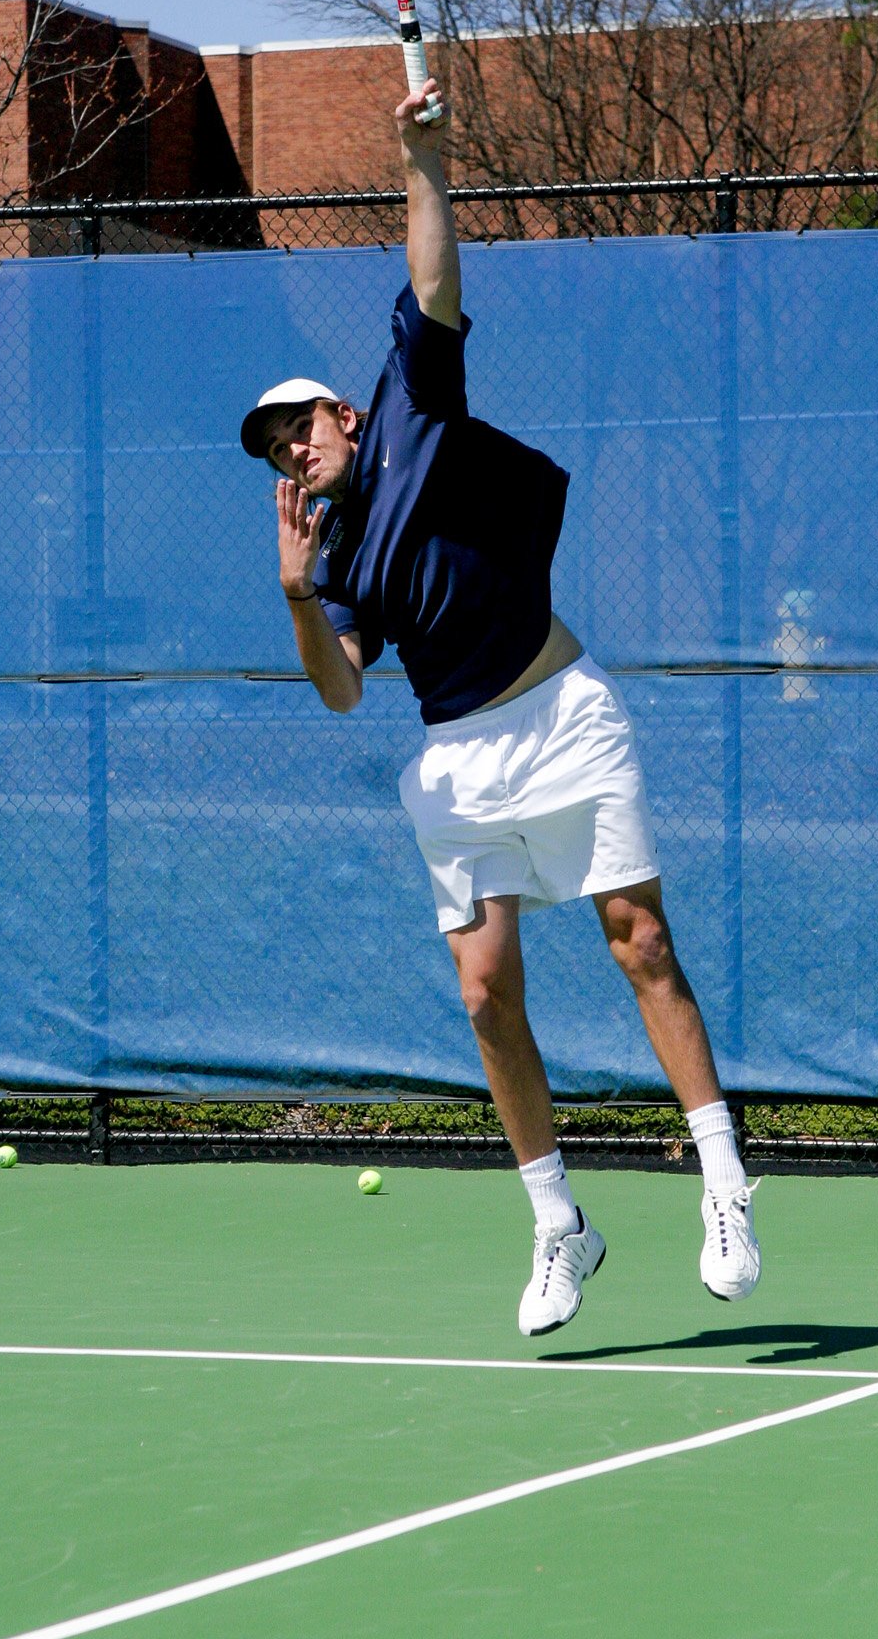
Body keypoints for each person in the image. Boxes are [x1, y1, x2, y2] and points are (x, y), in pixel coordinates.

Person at [239, 79, 760, 1336]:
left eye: (295, 429)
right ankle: (557, 1224)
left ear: (345, 413)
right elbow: (344, 691)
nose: (289, 453)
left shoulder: (413, 400)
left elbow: (432, 281)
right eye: (269, 451)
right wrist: (299, 596)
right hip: (457, 763)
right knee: (485, 994)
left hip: (563, 716)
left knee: (638, 937)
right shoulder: (334, 553)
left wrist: (426, 161)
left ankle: (727, 1183)